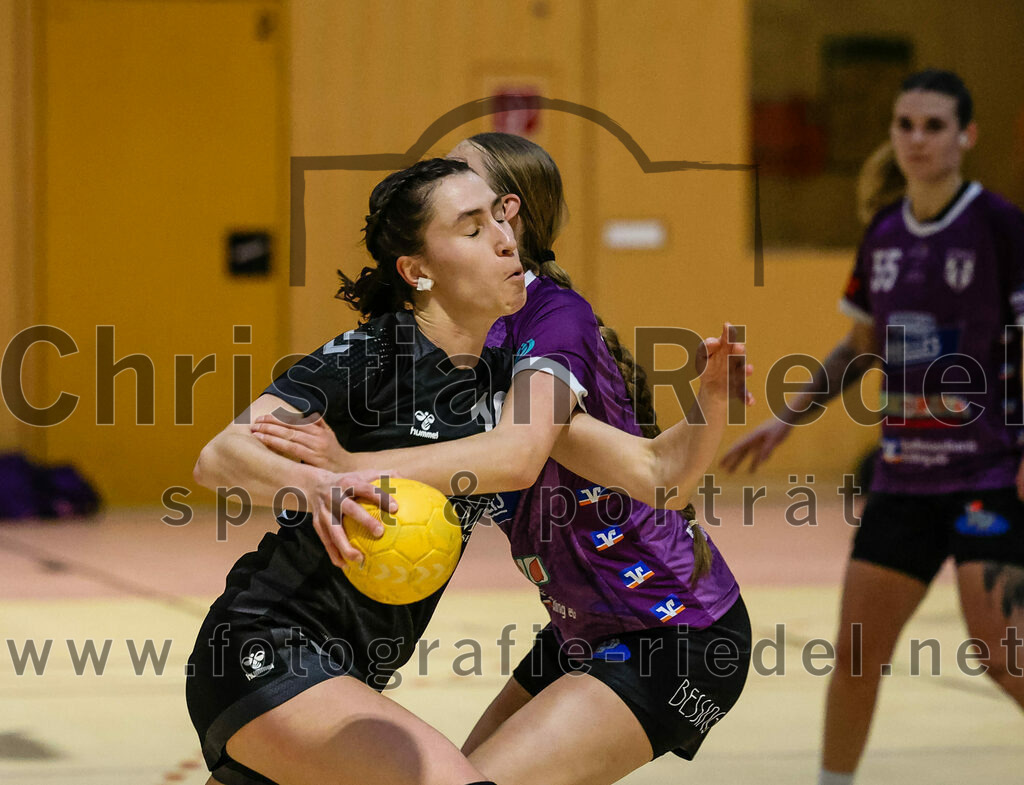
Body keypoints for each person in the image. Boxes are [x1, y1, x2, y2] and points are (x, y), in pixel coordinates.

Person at [253, 132, 754, 785]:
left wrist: (347, 468)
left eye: (467, 185)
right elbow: (657, 473)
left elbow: (535, 457)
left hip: (671, 627)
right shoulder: (461, 336)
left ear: (506, 212)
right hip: (582, 626)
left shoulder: (548, 317)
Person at [720, 70, 1024, 785]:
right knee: (858, 654)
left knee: (1001, 652)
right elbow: (861, 349)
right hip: (903, 479)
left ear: (966, 136)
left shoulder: (999, 226)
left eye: (934, 125)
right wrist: (786, 417)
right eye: (905, 124)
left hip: (985, 474)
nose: (917, 138)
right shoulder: (884, 233)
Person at [187, 157, 523, 785]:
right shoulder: (378, 353)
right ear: (417, 272)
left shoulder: (507, 384)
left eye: (501, 219)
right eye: (473, 228)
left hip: (352, 672)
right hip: (269, 646)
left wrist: (709, 409)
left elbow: (642, 465)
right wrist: (321, 485)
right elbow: (220, 455)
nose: (505, 239)